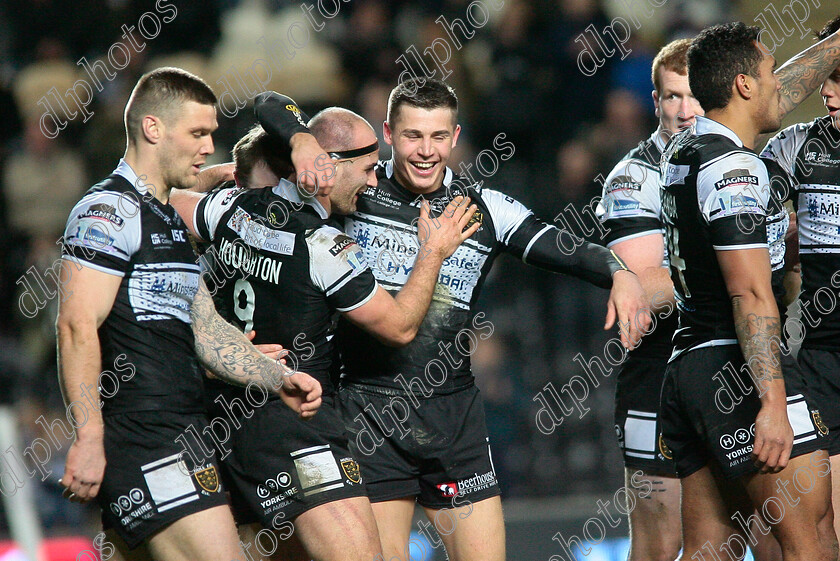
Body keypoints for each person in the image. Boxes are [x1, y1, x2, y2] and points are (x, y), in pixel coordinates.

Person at [256, 80, 650, 561]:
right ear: (387, 134)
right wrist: (300, 141)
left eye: (438, 136)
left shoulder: (485, 208)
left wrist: (620, 271)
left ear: (456, 136)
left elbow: (566, 249)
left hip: (454, 416)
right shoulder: (355, 188)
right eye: (412, 136)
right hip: (368, 414)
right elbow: (268, 105)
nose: (426, 151)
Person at [170, 107, 480, 561]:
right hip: (299, 422)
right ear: (328, 166)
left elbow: (165, 200)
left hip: (225, 421)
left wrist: (227, 174)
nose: (375, 182)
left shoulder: (232, 205)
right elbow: (399, 327)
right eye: (369, 170)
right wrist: (432, 252)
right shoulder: (324, 245)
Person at [56, 67, 322, 561]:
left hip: (184, 429)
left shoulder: (168, 222)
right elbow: (75, 327)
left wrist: (276, 377)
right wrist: (89, 437)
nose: (208, 148)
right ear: (153, 129)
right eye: (198, 134)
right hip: (143, 435)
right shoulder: (107, 212)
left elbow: (206, 330)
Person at [600, 26, 840, 560]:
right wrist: (773, 401)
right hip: (736, 372)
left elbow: (776, 94)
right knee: (812, 538)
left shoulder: (685, 150)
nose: (781, 85)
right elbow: (749, 297)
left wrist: (835, 44)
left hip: (687, 369)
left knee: (713, 548)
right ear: (743, 85)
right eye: (769, 72)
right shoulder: (732, 168)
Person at [760, 13, 840, 544]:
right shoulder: (796, 147)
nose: (829, 93)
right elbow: (761, 112)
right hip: (820, 356)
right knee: (823, 528)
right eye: (826, 78)